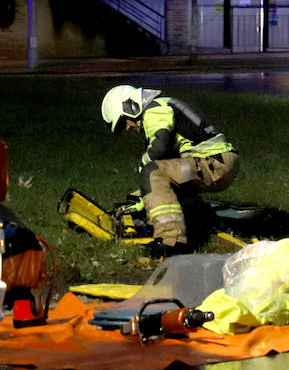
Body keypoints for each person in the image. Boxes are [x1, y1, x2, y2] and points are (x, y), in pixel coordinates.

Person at [101, 85, 241, 251]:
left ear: (130, 106)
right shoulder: (163, 106)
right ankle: (207, 222)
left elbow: (159, 147)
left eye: (123, 122)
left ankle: (171, 240)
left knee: (152, 172)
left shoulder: (154, 110)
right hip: (218, 161)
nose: (128, 127)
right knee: (168, 182)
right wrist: (144, 196)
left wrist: (143, 172)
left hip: (213, 163)